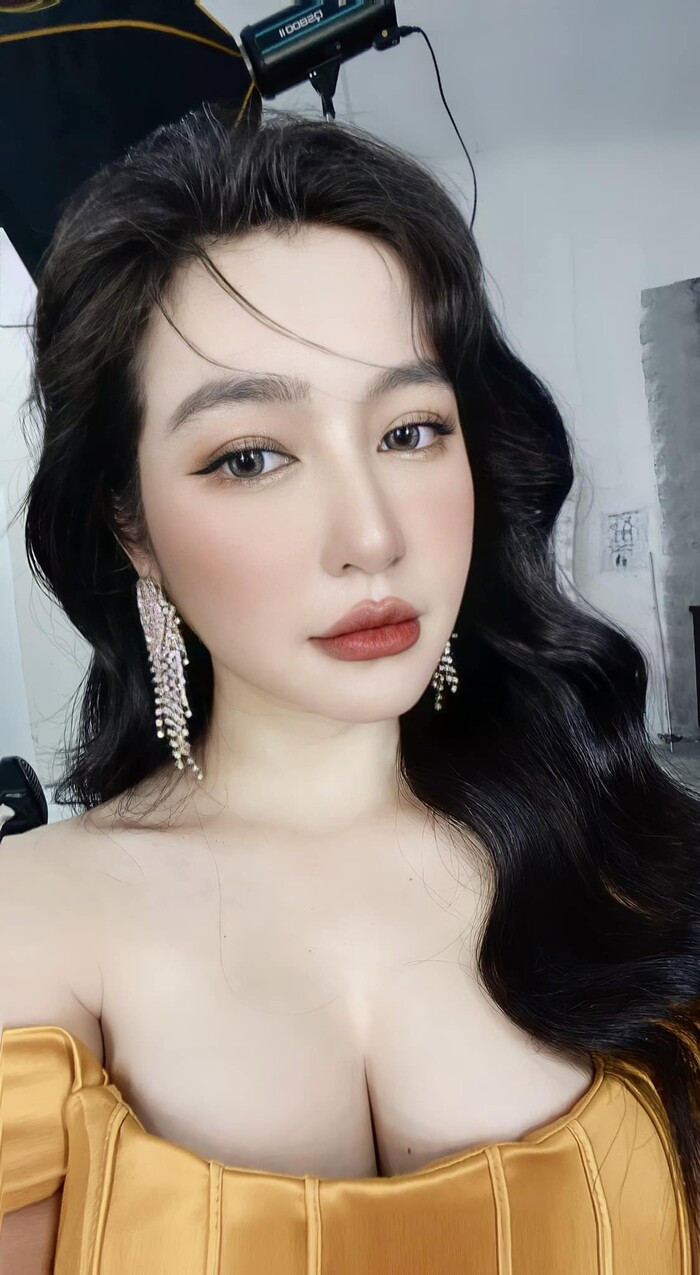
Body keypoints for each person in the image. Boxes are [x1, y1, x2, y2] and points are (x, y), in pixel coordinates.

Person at [1, 102, 700, 1274]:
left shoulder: (629, 849)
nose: (371, 536)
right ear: (132, 527)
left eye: (411, 431)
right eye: (251, 456)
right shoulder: (27, 923)